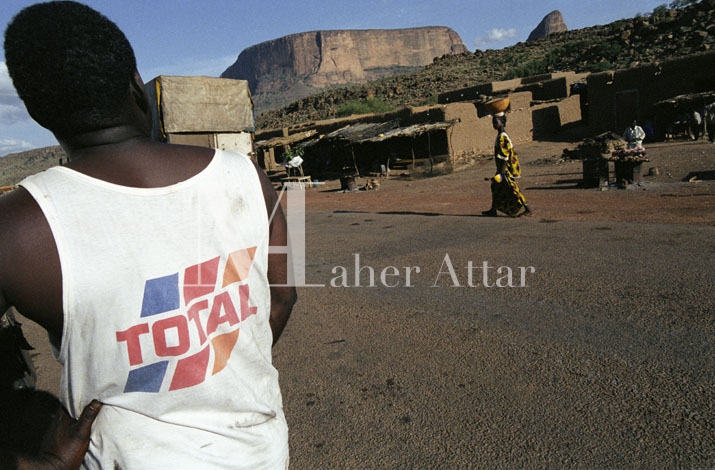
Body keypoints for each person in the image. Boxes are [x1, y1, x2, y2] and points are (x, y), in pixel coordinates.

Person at [1, 2, 297, 468]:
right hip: (260, 450)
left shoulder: (16, 230)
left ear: (36, 112)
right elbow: (281, 298)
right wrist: (212, 374)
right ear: (137, 86)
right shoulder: (247, 176)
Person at [482, 112, 532, 217]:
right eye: (493, 123)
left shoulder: (502, 137)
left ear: (502, 122)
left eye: (496, 122)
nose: (494, 125)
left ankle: (527, 209)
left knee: (513, 188)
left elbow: (505, 156)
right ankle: (493, 209)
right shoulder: (501, 135)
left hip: (506, 169)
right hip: (502, 168)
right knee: (495, 186)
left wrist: (501, 171)